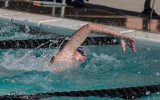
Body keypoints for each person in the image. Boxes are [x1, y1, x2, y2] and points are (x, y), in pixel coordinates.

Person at [49, 23, 136, 71]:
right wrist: (119, 35)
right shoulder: (65, 54)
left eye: (84, 56)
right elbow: (89, 27)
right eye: (82, 53)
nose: (83, 57)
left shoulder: (67, 67)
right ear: (74, 49)